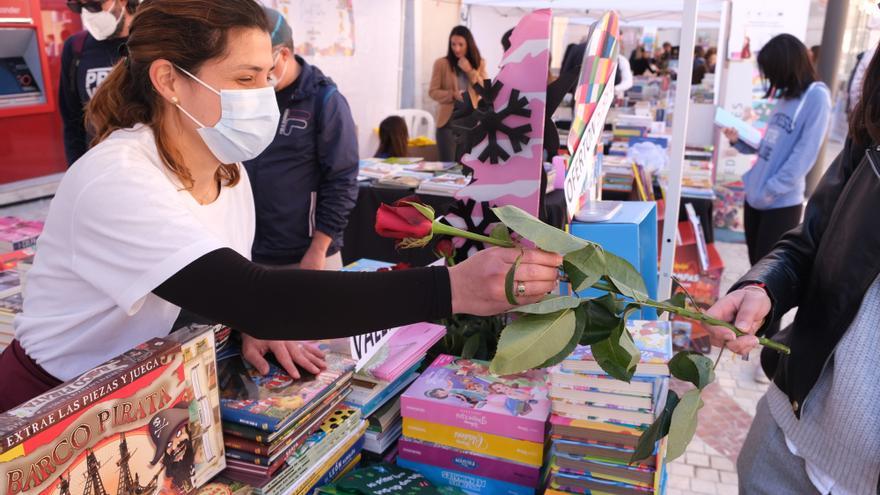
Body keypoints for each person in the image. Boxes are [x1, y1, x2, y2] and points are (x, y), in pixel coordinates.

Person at [0, 0, 563, 413]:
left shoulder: (228, 171)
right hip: (52, 404)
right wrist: (453, 289)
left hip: (145, 393)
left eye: (268, 76)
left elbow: (219, 288)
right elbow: (255, 292)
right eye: (244, 79)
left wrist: (244, 322)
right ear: (170, 80)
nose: (263, 96)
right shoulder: (114, 179)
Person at [706, 43, 880, 495]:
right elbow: (811, 241)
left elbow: (799, 160)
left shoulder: (816, 97)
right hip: (788, 434)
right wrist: (762, 286)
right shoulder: (872, 130)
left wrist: (772, 189)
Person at [721, 33, 831, 340]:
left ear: (786, 64)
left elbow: (803, 155)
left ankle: (768, 346)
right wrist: (738, 139)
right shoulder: (787, 97)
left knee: (771, 283)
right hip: (757, 198)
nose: (769, 77)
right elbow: (768, 146)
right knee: (757, 272)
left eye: (771, 69)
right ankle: (753, 337)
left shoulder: (816, 97)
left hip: (780, 202)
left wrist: (771, 188)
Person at [243, 8, 357, 273]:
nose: (256, 76)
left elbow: (343, 179)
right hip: (252, 250)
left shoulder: (325, 100)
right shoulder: (251, 97)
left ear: (283, 54)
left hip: (307, 255)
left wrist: (319, 248)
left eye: (262, 66)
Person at [60, 0, 138, 166]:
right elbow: (72, 120)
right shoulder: (75, 48)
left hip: (150, 170)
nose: (87, 14)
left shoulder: (152, 42)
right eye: (78, 7)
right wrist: (77, 171)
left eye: (94, 5)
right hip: (99, 168)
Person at [429, 26, 487, 162]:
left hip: (470, 122)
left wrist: (470, 70)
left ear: (469, 44)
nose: (456, 48)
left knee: (468, 166)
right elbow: (433, 92)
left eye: (461, 44)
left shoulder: (479, 63)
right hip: (447, 123)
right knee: (448, 166)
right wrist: (452, 95)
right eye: (453, 44)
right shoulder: (441, 63)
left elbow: (484, 90)